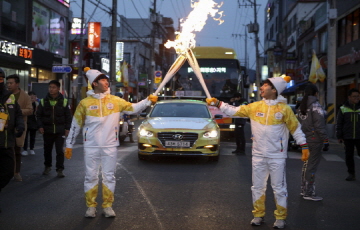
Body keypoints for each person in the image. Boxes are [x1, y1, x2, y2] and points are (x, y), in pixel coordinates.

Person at [206, 76, 308, 229]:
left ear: (273, 90)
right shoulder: (255, 107)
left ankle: (280, 218)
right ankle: (258, 215)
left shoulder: (284, 109)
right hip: (258, 154)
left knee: (279, 188)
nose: (261, 87)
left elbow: (295, 129)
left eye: (265, 85)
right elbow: (234, 111)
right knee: (257, 187)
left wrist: (304, 145)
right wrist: (218, 103)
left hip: (277, 156)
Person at [65, 67, 158, 218]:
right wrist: (69, 145)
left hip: (110, 145)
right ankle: (90, 206)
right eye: (103, 80)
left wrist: (148, 100)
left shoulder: (115, 101)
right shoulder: (84, 103)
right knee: (90, 176)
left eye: (107, 79)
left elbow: (133, 108)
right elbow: (75, 125)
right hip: (91, 146)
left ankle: (107, 206)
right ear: (94, 83)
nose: (106, 82)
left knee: (109, 176)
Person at [297, 84, 329, 201]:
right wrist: (325, 140)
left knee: (306, 165)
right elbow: (319, 126)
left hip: (305, 139)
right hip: (315, 140)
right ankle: (309, 192)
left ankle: (304, 189)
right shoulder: (316, 106)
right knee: (312, 166)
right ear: (316, 93)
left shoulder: (302, 106)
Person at [36, 80, 71, 178]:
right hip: (47, 130)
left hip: (60, 131)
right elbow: (38, 116)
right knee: (47, 150)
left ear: (58, 89)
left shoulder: (64, 101)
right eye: (50, 87)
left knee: (60, 151)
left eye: (54, 87)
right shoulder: (43, 101)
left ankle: (60, 169)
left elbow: (68, 116)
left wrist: (67, 128)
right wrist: (40, 126)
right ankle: (47, 166)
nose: (51, 89)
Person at [0, 69, 24, 212]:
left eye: (1, 78)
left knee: (8, 172)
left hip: (7, 142)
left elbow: (18, 114)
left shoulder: (10, 97)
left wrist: (20, 126)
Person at [6, 74, 33, 182]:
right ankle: (7, 172)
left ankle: (16, 172)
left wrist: (17, 111)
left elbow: (30, 110)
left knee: (17, 149)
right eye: (7, 83)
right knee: (6, 150)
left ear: (17, 84)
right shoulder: (4, 94)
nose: (9, 85)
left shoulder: (25, 96)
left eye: (11, 83)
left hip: (19, 125)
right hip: (5, 125)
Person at [336, 88, 360, 181]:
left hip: (359, 136)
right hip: (348, 136)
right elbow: (339, 123)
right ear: (349, 97)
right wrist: (339, 136)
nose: (356, 98)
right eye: (354, 96)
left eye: (358, 96)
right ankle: (351, 173)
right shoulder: (343, 108)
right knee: (349, 156)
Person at [22, 91, 39, 156]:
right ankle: (25, 149)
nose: (32, 97)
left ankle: (32, 149)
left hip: (34, 122)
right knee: (25, 136)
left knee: (33, 137)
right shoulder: (25, 104)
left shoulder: (37, 104)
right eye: (30, 95)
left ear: (35, 97)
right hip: (26, 121)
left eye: (33, 95)